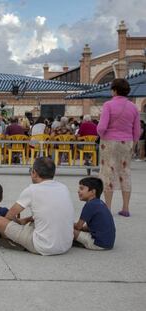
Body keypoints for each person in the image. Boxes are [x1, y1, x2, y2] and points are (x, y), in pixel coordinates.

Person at [0, 157, 74, 255]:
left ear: (34, 173)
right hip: (66, 245)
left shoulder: (32, 190)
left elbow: (9, 216)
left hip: (43, 246)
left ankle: (15, 242)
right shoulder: (63, 187)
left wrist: (18, 223)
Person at [97, 78, 140, 217]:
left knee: (108, 172)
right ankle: (125, 208)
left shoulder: (108, 105)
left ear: (114, 90)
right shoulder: (133, 107)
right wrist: (133, 143)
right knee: (125, 173)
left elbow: (102, 127)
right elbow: (137, 130)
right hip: (126, 142)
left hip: (109, 142)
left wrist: (101, 133)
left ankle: (108, 208)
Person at [74, 177, 116, 250]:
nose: (78, 191)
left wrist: (69, 224)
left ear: (93, 192)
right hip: (108, 243)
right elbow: (89, 226)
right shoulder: (100, 203)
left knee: (69, 230)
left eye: (81, 189)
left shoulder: (89, 205)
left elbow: (78, 227)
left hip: (98, 243)